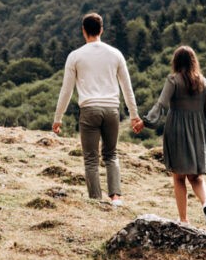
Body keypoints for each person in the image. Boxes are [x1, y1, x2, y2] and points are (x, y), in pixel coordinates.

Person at [53, 13, 144, 205]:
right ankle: (116, 197)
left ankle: (96, 200)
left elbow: (66, 90)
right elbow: (127, 87)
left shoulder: (75, 56)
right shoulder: (115, 54)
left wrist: (58, 118)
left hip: (89, 110)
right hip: (112, 110)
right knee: (111, 154)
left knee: (91, 159)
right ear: (101, 30)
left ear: (83, 31)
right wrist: (134, 115)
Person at [145, 45, 206, 227]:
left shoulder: (173, 80)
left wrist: (147, 121)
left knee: (179, 178)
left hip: (177, 131)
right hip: (199, 133)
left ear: (176, 61)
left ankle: (184, 219)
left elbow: (161, 104)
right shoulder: (205, 83)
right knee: (196, 177)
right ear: (194, 62)